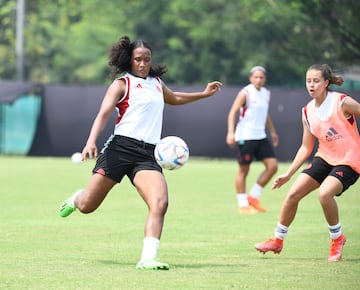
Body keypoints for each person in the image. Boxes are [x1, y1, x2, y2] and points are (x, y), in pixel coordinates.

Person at [59, 35, 223, 270]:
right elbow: (104, 113)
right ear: (130, 60)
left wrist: (204, 94)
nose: (143, 64)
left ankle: (148, 258)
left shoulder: (156, 83)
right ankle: (77, 197)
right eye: (138, 60)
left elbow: (174, 98)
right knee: (87, 206)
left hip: (148, 154)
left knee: (160, 202)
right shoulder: (122, 84)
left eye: (147, 59)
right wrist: (90, 141)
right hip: (120, 149)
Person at [254, 64, 360, 262]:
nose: (311, 85)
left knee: (324, 194)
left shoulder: (342, 102)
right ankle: (277, 240)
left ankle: (337, 239)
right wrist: (288, 174)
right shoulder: (307, 111)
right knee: (293, 194)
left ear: (326, 83)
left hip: (349, 160)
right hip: (325, 157)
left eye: (316, 81)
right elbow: (305, 147)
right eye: (308, 81)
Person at [226, 66, 279, 214]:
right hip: (245, 136)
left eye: (261, 77)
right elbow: (233, 111)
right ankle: (243, 204)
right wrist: (230, 133)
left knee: (273, 166)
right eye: (255, 77)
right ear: (250, 78)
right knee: (244, 170)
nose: (258, 79)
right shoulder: (245, 93)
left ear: (265, 79)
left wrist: (273, 132)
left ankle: (253, 197)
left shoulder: (266, 93)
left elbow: (265, 114)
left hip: (261, 136)